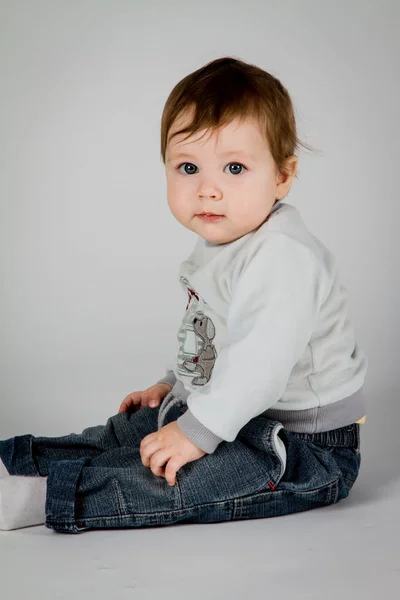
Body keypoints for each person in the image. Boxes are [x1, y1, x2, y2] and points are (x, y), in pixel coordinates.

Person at [0, 56, 368, 533]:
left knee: (183, 478)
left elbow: (260, 365)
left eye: (235, 167)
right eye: (188, 167)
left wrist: (196, 429)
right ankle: (19, 461)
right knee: (132, 431)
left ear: (282, 176)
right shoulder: (224, 238)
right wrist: (178, 384)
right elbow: (217, 331)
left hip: (301, 444)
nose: (208, 190)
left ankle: (46, 496)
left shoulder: (283, 256)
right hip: (236, 407)